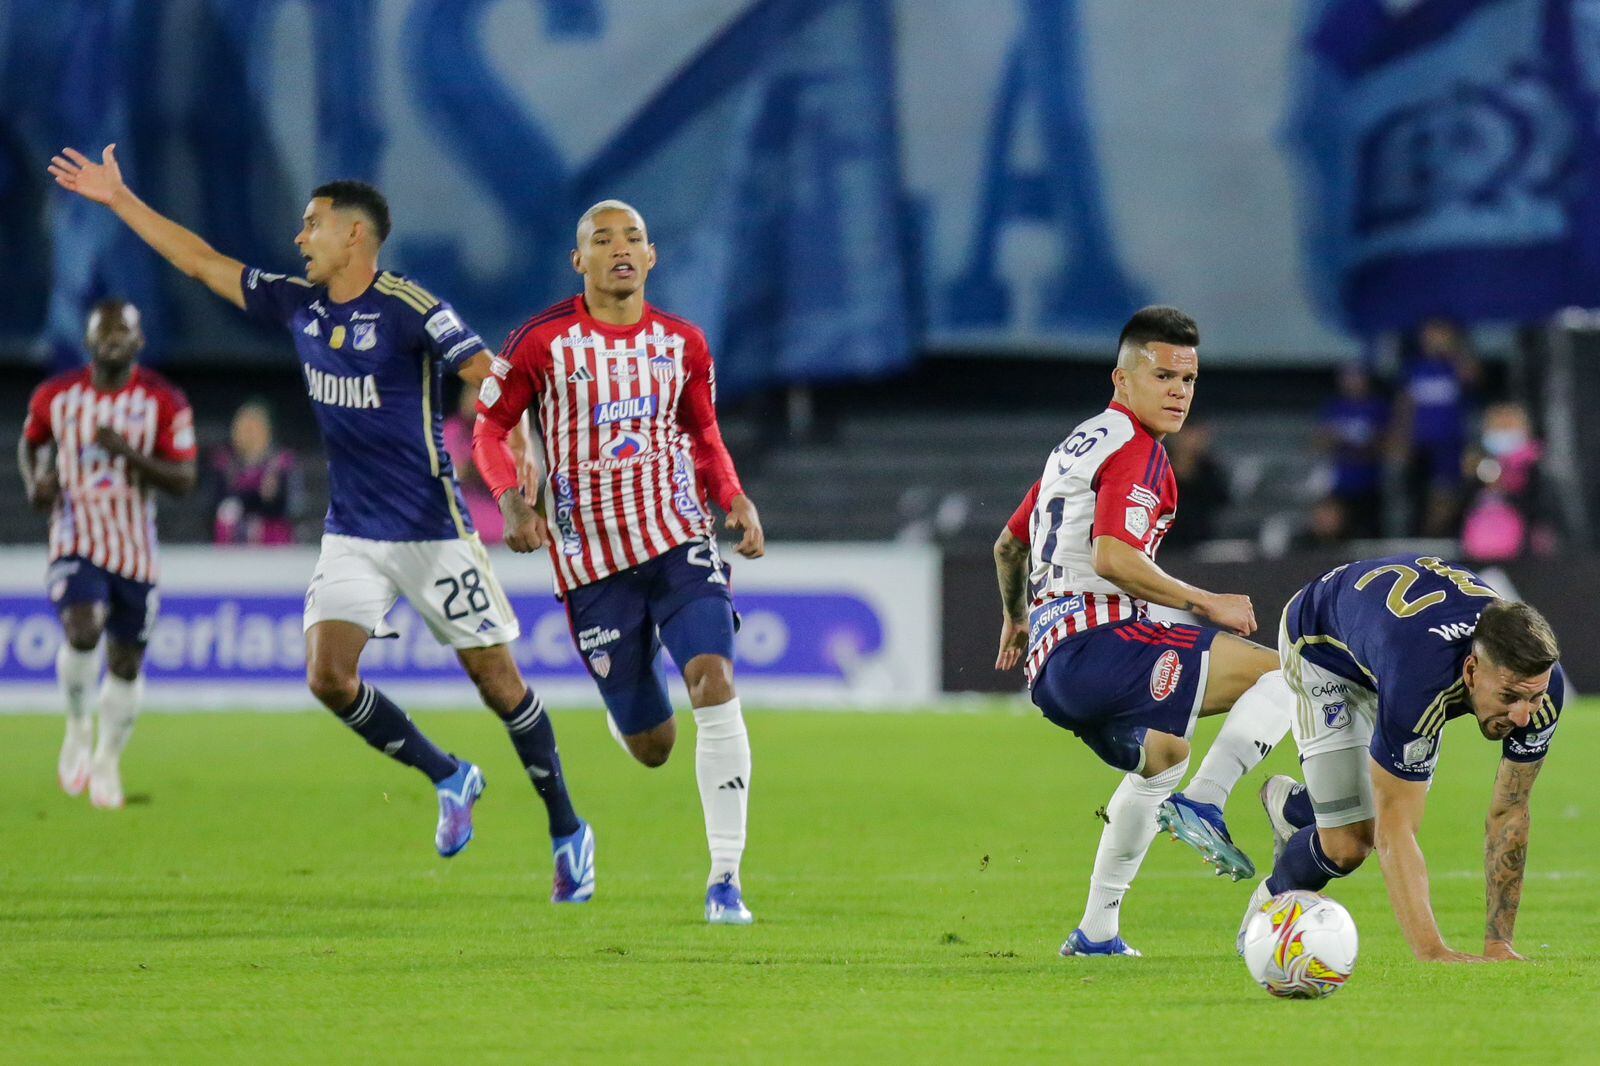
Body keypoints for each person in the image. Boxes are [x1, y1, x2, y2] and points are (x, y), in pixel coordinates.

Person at [50, 144, 594, 902]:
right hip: (353, 534)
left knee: (500, 684)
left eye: (313, 225)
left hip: (434, 533)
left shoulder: (411, 308)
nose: (300, 238)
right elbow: (204, 263)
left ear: (355, 238)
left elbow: (492, 377)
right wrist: (122, 201)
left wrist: (524, 444)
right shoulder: (297, 303)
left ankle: (568, 830)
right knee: (328, 677)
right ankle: (450, 775)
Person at [473, 199, 766, 924]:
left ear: (652, 255)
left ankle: (725, 879)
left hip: (677, 539)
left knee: (714, 679)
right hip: (591, 562)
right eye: (602, 241)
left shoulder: (685, 344)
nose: (620, 250)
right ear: (579, 262)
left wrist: (733, 496)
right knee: (653, 745)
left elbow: (704, 433)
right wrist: (512, 498)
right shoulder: (541, 344)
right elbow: (490, 429)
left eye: (633, 237)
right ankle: (629, 704)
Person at [992, 306, 1293, 957]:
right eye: (1164, 376)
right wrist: (1203, 600)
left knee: (1163, 759)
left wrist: (1018, 618)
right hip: (1099, 648)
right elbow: (1112, 557)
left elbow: (1007, 546)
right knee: (1293, 674)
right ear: (1122, 380)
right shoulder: (1137, 450)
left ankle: (1097, 932)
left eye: (1189, 378)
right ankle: (1209, 804)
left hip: (1051, 673)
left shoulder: (1077, 444)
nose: (1180, 392)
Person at [1248, 555, 1564, 963]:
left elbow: (1511, 811)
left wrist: (1498, 945)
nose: (1523, 715)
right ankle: (1264, 910)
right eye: (1508, 697)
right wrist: (1433, 951)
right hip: (1323, 644)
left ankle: (1303, 806)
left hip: (1391, 638)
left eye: (1533, 696)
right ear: (1471, 672)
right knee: (1349, 844)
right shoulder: (1422, 682)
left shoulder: (1538, 687)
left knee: (1365, 806)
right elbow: (1394, 830)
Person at [18, 299, 198, 809]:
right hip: (75, 536)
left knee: (124, 664)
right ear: (89, 341)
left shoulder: (164, 401)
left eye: (124, 332)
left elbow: (185, 479)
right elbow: (30, 443)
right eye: (105, 332)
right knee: (83, 628)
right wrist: (36, 484)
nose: (114, 339)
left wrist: (129, 453)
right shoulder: (56, 396)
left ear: (140, 342)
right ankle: (77, 724)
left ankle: (107, 759)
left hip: (135, 549)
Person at [1393, 318, 1479, 536]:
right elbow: (1405, 405)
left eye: (1438, 333)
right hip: (1420, 443)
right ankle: (1418, 537)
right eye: (1428, 334)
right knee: (1416, 495)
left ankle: (1443, 533)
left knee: (1446, 493)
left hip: (1450, 443)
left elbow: (1473, 376)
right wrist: (1401, 440)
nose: (1433, 339)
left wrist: (1452, 350)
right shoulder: (1414, 367)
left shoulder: (1454, 364)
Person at [209, 400, 302, 545]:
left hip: (272, 539)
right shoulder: (224, 461)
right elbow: (216, 502)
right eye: (244, 429)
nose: (249, 435)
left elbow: (290, 505)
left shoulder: (281, 462)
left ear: (266, 431)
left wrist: (271, 498)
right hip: (232, 539)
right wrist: (256, 498)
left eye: (254, 429)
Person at [1315, 364, 1388, 541]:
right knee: (1339, 531)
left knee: (1369, 532)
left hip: (1370, 480)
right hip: (1341, 481)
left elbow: (1388, 442)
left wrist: (1365, 447)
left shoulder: (1377, 407)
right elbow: (1320, 441)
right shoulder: (1335, 407)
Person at [443, 383, 503, 544]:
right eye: (471, 393)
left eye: (481, 394)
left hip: (499, 532)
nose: (474, 399)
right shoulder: (449, 430)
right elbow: (447, 475)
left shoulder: (506, 431)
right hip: (459, 532)